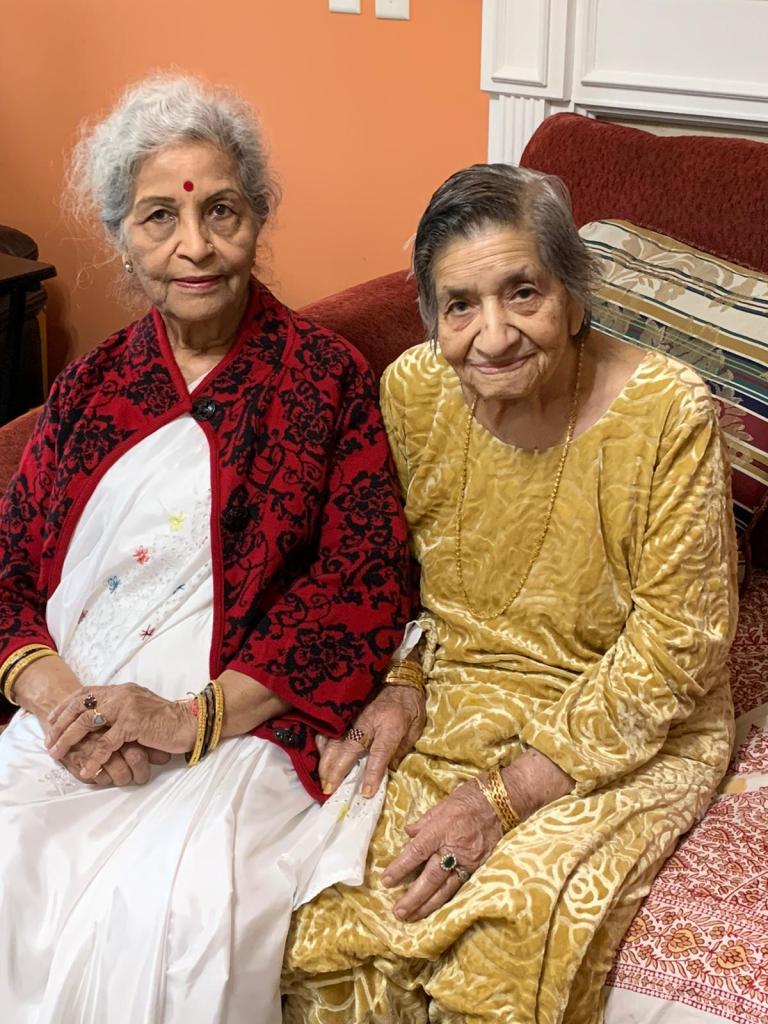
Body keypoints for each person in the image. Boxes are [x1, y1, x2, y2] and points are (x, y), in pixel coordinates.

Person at [0, 75, 413, 1024]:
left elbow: (360, 588)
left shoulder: (325, 379)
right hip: (69, 726)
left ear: (257, 218)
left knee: (171, 917)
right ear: (121, 238)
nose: (195, 245)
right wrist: (64, 708)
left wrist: (189, 719)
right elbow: (10, 573)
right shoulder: (89, 390)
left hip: (235, 734)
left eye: (221, 210)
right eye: (160, 217)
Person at [283, 164, 738, 1024]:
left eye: (522, 292)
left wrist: (504, 797)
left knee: (510, 927)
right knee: (330, 919)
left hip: (625, 726)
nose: (492, 336)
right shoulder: (413, 390)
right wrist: (402, 680)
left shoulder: (668, 413)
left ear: (573, 297)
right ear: (431, 317)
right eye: (460, 305)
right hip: (457, 695)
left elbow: (680, 645)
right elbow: (386, 567)